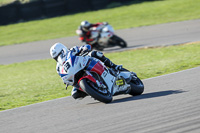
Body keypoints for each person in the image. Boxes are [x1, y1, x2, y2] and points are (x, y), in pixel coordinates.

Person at [50, 42, 123, 100]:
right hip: (76, 77)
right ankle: (94, 90)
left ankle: (114, 66)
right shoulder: (58, 68)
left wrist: (85, 48)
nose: (59, 58)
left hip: (85, 64)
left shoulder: (72, 50)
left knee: (95, 53)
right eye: (56, 57)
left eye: (59, 55)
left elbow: (85, 47)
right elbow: (63, 77)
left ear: (63, 50)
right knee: (75, 94)